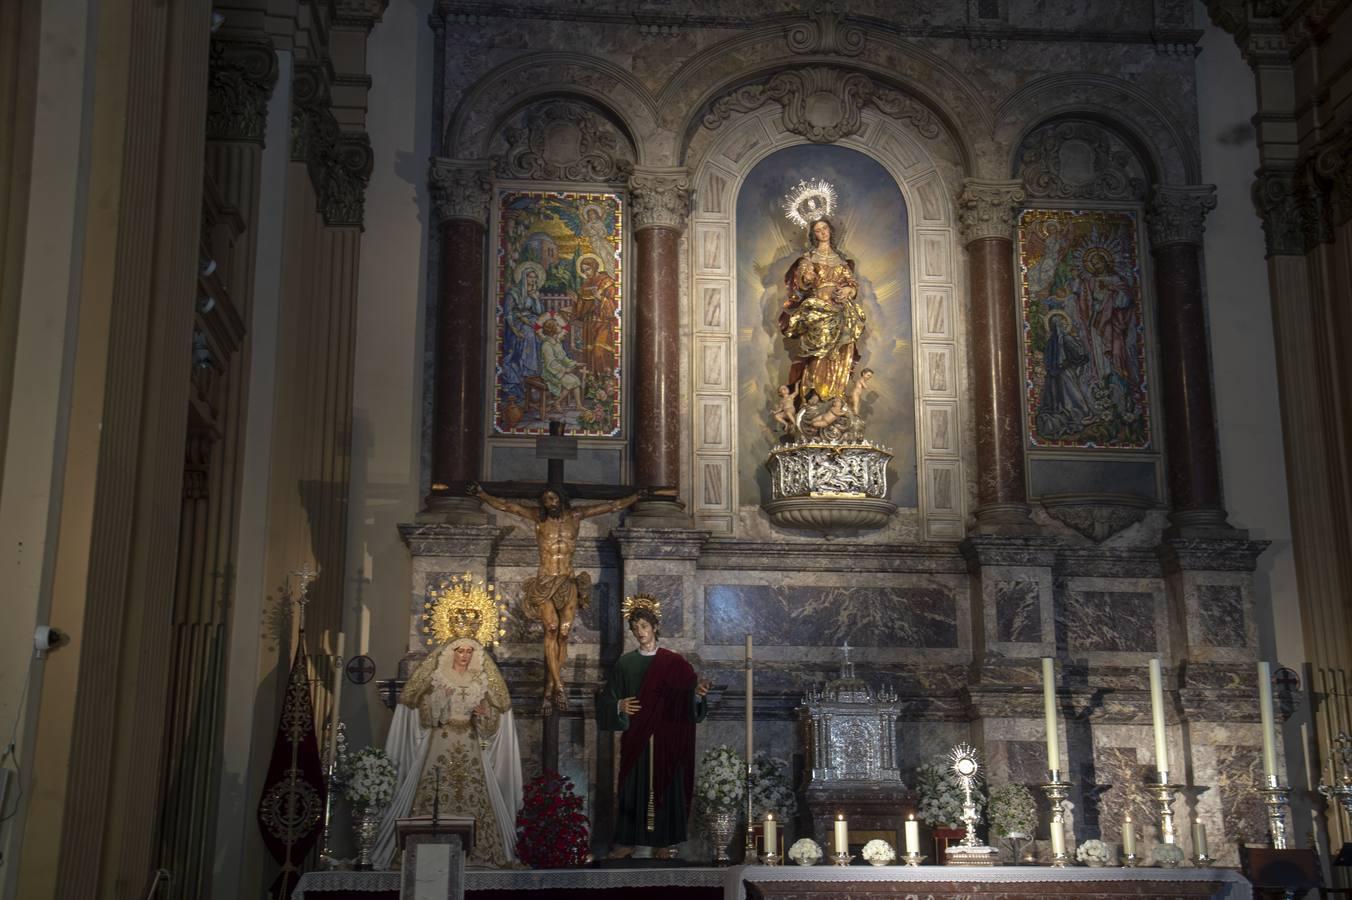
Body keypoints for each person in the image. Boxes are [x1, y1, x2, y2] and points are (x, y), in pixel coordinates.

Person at [468, 483, 642, 710]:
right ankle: (559, 685)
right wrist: (482, 494)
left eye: (553, 499)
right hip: (545, 581)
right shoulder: (538, 518)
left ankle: (550, 687)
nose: (549, 503)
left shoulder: (576, 516)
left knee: (563, 633)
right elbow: (507, 506)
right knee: (550, 627)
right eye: (546, 500)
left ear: (561, 499)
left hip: (567, 582)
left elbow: (611, 506)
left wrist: (636, 496)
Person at [373, 636, 522, 869]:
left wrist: (483, 714)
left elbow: (491, 722)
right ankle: (427, 851)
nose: (464, 656)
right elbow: (426, 714)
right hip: (441, 741)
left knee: (473, 790)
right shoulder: (438, 678)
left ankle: (478, 854)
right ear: (452, 653)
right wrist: (438, 700)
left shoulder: (479, 680)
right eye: (460, 651)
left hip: (470, 743)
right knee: (435, 788)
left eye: (468, 652)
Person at [597, 595, 710, 859]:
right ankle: (627, 841)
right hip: (636, 736)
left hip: (667, 738)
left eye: (644, 627)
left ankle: (664, 841)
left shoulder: (675, 663)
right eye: (635, 628)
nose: (640, 633)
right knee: (631, 785)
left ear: (655, 627)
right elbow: (607, 699)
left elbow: (689, 695)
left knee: (667, 784)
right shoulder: (625, 663)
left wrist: (698, 694)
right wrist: (619, 706)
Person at [778, 217, 865, 403]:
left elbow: (852, 282)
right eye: (818, 230)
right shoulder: (809, 258)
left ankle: (836, 395)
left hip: (840, 309)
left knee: (842, 348)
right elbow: (802, 282)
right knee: (819, 350)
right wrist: (806, 275)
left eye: (825, 228)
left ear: (830, 230)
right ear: (813, 235)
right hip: (818, 308)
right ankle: (816, 393)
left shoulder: (840, 260)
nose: (823, 232)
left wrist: (849, 289)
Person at [501, 262, 546, 401]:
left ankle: (536, 375)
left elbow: (539, 313)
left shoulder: (533, 293)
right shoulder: (513, 293)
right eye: (529, 277)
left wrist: (535, 298)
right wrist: (515, 330)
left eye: (534, 277)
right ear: (523, 278)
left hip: (530, 322)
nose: (532, 280)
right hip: (516, 325)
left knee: (544, 337)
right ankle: (527, 369)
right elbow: (508, 314)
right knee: (529, 333)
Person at [572, 254, 619, 385]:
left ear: (594, 267)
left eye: (587, 269)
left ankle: (606, 383)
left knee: (599, 353)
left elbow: (615, 306)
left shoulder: (607, 282)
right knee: (589, 354)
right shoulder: (586, 284)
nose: (585, 273)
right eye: (583, 270)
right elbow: (583, 308)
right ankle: (594, 386)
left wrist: (599, 298)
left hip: (604, 324)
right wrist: (577, 301)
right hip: (590, 324)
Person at [537, 316, 585, 411]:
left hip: (558, 371)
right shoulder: (546, 345)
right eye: (558, 325)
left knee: (575, 379)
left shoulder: (557, 343)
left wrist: (575, 364)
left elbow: (564, 359)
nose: (560, 326)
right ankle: (557, 402)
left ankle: (578, 405)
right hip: (550, 372)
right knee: (571, 381)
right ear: (552, 329)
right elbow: (550, 363)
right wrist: (564, 370)